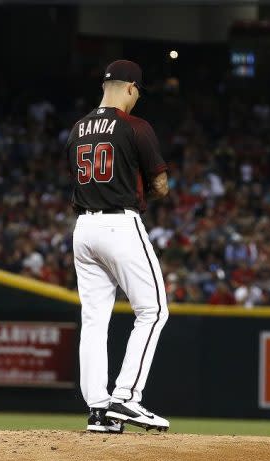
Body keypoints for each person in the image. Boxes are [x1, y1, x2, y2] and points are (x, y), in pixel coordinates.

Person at [66, 60, 170, 433]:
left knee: (94, 320)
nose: (138, 99)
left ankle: (98, 409)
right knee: (153, 311)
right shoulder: (135, 126)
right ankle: (127, 397)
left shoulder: (78, 128)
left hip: (83, 228)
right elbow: (160, 187)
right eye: (138, 92)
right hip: (119, 223)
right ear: (130, 88)